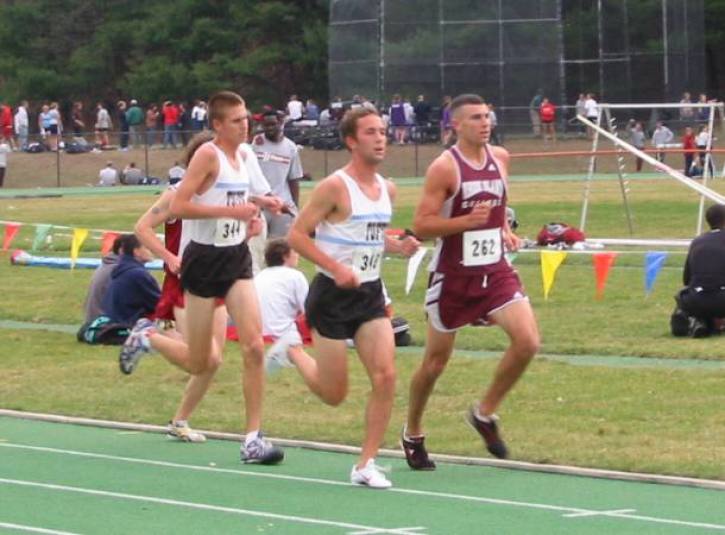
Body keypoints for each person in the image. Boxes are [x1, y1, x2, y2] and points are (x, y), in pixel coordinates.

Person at [402, 94, 539, 471]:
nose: (485, 122)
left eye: (488, 116)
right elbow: (424, 224)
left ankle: (484, 413)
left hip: (493, 270)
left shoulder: (501, 157)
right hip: (454, 275)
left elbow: (498, 204)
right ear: (456, 125)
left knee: (528, 341)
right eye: (476, 117)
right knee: (434, 363)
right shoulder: (444, 168)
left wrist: (504, 229)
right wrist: (465, 223)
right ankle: (413, 430)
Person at [287, 106, 420, 488]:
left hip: (370, 294)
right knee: (334, 393)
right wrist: (337, 267)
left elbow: (372, 239)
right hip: (330, 295)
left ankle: (366, 464)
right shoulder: (334, 187)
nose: (381, 138)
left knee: (386, 374)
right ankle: (293, 350)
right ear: (350, 141)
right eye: (370, 132)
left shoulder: (388, 189)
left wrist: (398, 247)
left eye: (383, 131)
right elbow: (297, 235)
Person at [169, 90, 286, 464]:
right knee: (201, 362)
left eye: (246, 118)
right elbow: (179, 205)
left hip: (235, 257)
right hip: (203, 260)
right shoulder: (208, 155)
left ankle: (252, 438)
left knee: (253, 345)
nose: (245, 124)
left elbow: (253, 191)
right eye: (236, 120)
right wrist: (230, 211)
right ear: (218, 125)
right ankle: (150, 335)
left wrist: (264, 205)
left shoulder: (246, 154)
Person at [120, 130, 235, 442]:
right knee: (205, 359)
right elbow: (141, 228)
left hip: (216, 279)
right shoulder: (176, 195)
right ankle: (149, 335)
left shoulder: (223, 193)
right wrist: (169, 257)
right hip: (184, 284)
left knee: (212, 363)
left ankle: (179, 421)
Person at [255, 238, 309, 374]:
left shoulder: (260, 275)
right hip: (282, 330)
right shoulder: (295, 276)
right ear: (285, 256)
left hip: (257, 329)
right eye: (295, 252)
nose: (298, 255)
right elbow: (309, 310)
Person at [673, 204, 725, 337]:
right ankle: (714, 322)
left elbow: (686, 279)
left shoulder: (697, 241)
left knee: (684, 295)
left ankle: (700, 321)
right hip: (722, 299)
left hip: (696, 299)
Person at [251, 111, 304, 238]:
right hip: (260, 206)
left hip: (282, 206)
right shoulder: (255, 143)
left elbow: (293, 180)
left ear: (281, 123)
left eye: (272, 124)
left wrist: (295, 208)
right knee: (256, 251)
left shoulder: (291, 148)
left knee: (278, 250)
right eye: (265, 125)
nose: (269, 128)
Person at [101, 234, 160, 326]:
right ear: (136, 252)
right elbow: (159, 304)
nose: (151, 250)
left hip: (114, 321)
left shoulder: (121, 270)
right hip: (130, 324)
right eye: (147, 247)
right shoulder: (138, 274)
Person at [83, 235, 123, 323]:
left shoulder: (108, 265)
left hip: (95, 322)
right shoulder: (118, 270)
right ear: (122, 251)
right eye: (143, 248)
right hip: (105, 328)